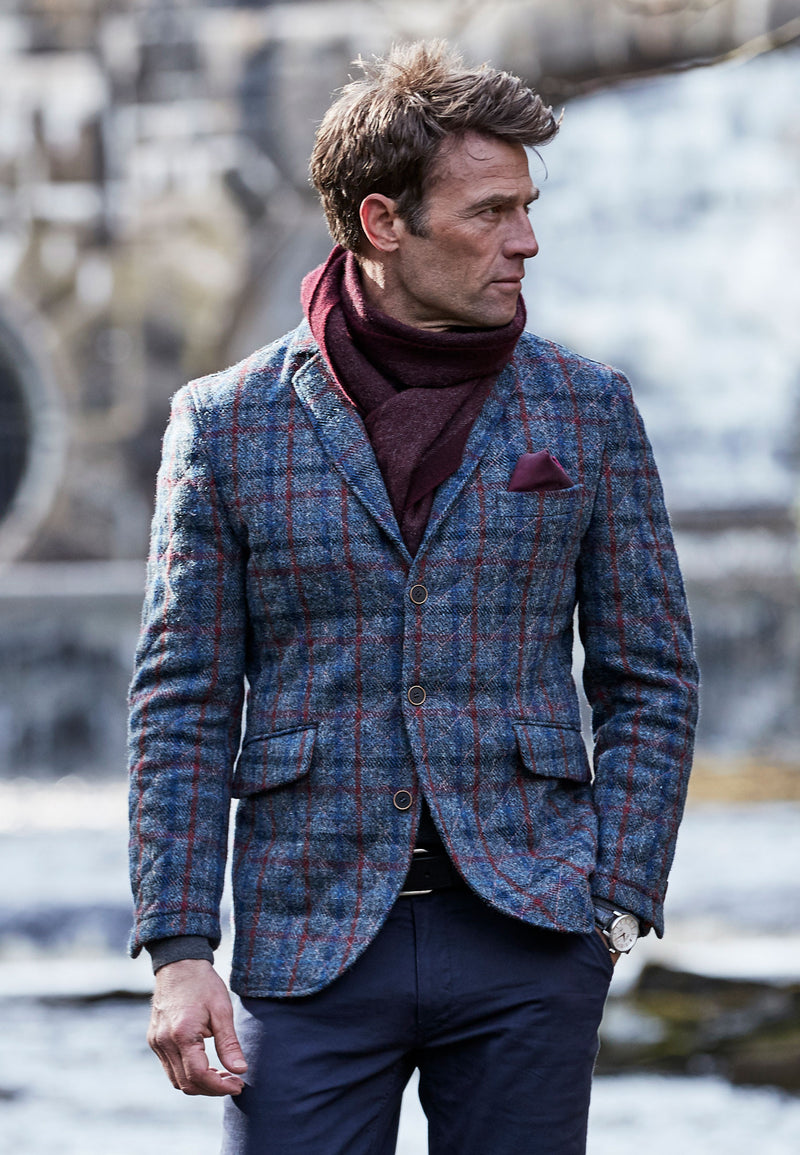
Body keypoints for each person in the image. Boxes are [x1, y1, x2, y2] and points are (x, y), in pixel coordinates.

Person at [128, 40, 698, 1155]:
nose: (525, 240)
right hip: (307, 941)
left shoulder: (587, 410)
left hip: (532, 936)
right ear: (382, 221)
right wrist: (180, 949)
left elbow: (651, 675)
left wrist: (616, 899)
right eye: (490, 212)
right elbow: (181, 702)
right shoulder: (225, 423)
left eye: (526, 208)